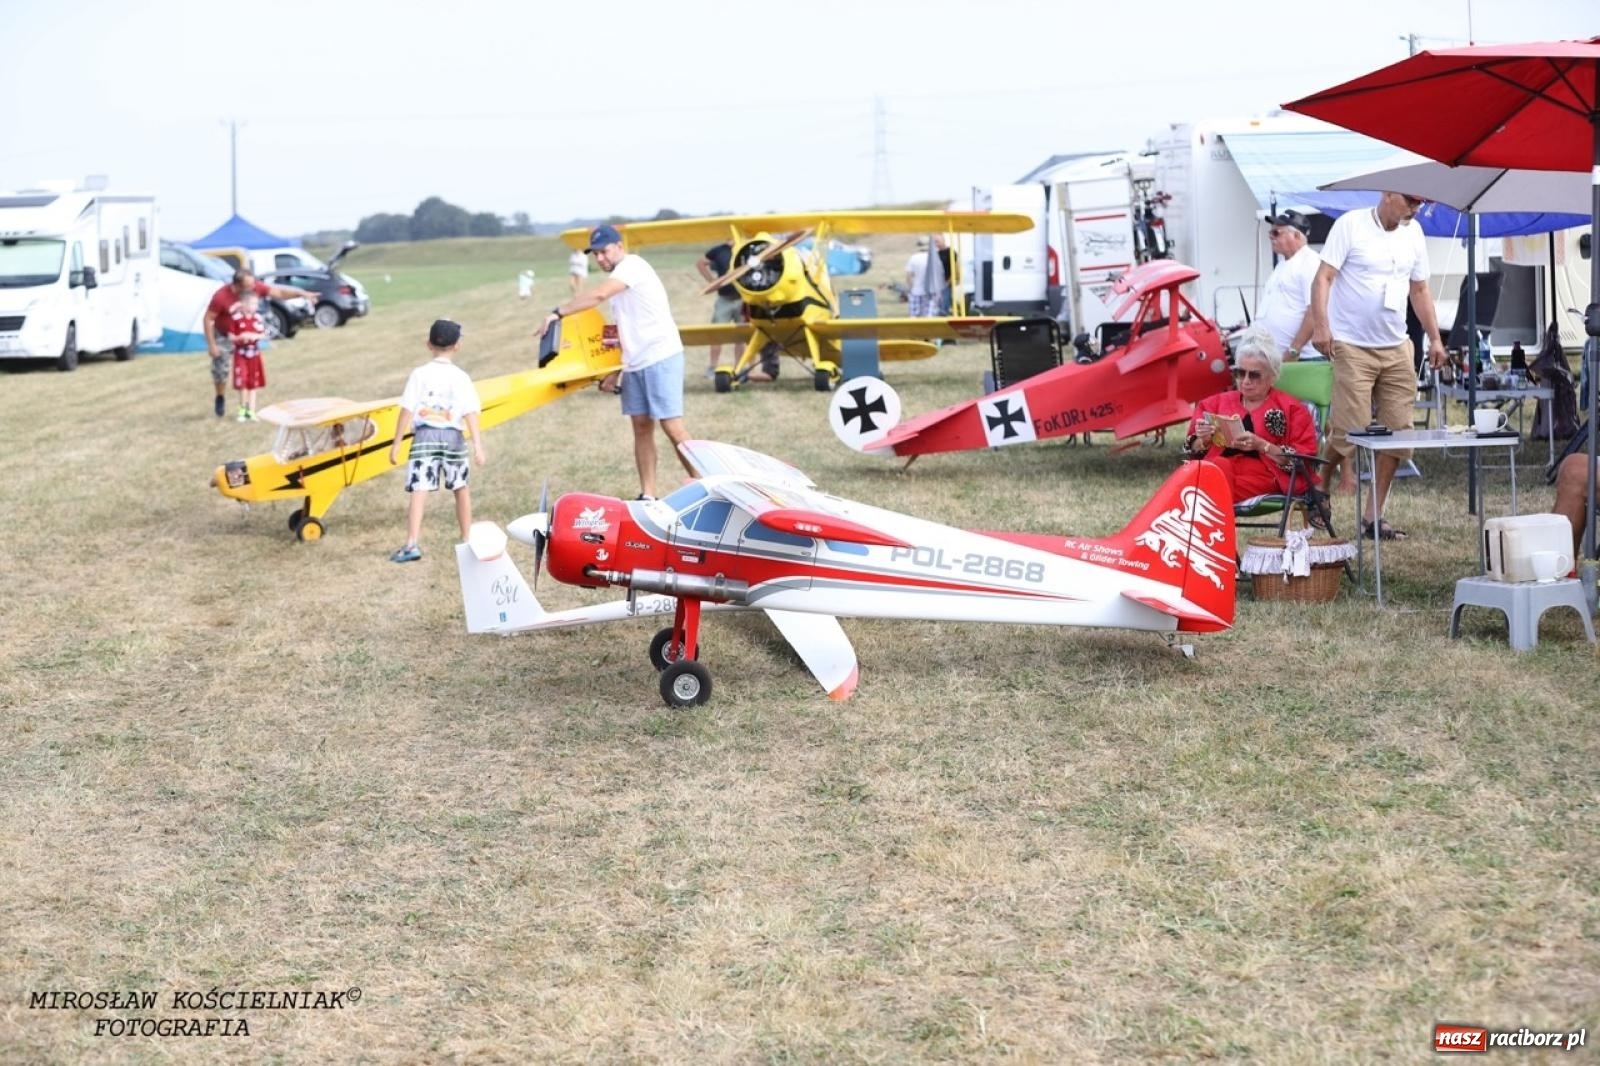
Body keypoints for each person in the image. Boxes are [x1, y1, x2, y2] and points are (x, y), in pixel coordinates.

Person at [1308, 190, 1447, 540]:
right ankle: (1319, 486)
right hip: (1352, 345)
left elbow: (1420, 289)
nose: (1418, 208)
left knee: (1398, 435)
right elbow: (1323, 278)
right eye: (1411, 201)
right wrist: (1322, 326)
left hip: (1397, 346)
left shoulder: (1414, 233)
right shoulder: (1350, 225)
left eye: (1421, 202)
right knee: (1349, 431)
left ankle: (1373, 517)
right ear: (1388, 194)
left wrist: (1435, 338)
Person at [536, 224, 694, 499]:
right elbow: (623, 330)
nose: (599, 259)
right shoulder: (621, 279)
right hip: (634, 363)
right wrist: (615, 371)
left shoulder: (632, 267)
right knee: (641, 428)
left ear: (620, 247)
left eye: (604, 252)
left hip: (660, 355)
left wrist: (557, 313)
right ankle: (648, 495)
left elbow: (598, 295)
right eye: (595, 254)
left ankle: (704, 483)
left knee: (672, 427)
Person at [1183, 326, 1321, 505]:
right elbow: (1191, 448)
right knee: (1216, 471)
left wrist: (1261, 445)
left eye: (1254, 375)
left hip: (1266, 474)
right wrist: (1203, 440)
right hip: (1219, 468)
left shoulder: (1292, 408)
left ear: (1272, 376)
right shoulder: (1214, 404)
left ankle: (1200, 509)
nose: (1245, 381)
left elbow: (1303, 461)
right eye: (1240, 373)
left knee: (1200, 488)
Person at [386, 318, 485, 564]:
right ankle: (466, 539)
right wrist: (478, 446)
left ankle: (411, 544)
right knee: (460, 488)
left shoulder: (419, 374)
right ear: (457, 346)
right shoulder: (461, 377)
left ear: (428, 344)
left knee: (419, 490)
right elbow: (470, 412)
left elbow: (407, 409)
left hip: (425, 437)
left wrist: (397, 442)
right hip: (453, 438)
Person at [203, 269, 318, 418]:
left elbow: (280, 293)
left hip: (247, 339)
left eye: (253, 284)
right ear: (237, 286)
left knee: (247, 373)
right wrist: (212, 345)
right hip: (225, 334)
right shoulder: (221, 296)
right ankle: (220, 397)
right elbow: (208, 319)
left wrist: (302, 294)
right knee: (220, 370)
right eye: (249, 285)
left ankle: (247, 408)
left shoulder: (256, 287)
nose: (254, 287)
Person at [1256, 210, 1323, 360]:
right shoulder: (1283, 264)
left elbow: (1314, 311)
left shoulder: (1310, 262)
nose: (1270, 236)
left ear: (1297, 235)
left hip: (1303, 359)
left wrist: (1294, 350)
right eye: (1270, 232)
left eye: (1276, 233)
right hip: (1279, 357)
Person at [696, 241, 767, 380]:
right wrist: (712, 282)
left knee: (742, 335)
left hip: (743, 299)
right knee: (716, 333)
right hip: (724, 299)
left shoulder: (747, 249)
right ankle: (712, 367)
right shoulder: (718, 250)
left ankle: (740, 367)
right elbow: (700, 263)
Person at [226, 291, 268, 421]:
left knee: (253, 383)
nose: (254, 306)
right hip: (241, 354)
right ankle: (242, 410)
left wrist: (254, 336)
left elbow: (263, 334)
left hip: (254, 354)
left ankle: (252, 410)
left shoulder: (257, 319)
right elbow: (231, 336)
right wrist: (241, 337)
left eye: (256, 303)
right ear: (243, 304)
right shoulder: (236, 318)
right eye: (251, 303)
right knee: (243, 382)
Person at [905, 237, 936, 318]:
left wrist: (910, 288)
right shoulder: (934, 257)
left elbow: (909, 276)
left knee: (914, 317)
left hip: (916, 291)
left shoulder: (913, 258)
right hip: (930, 292)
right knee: (929, 317)